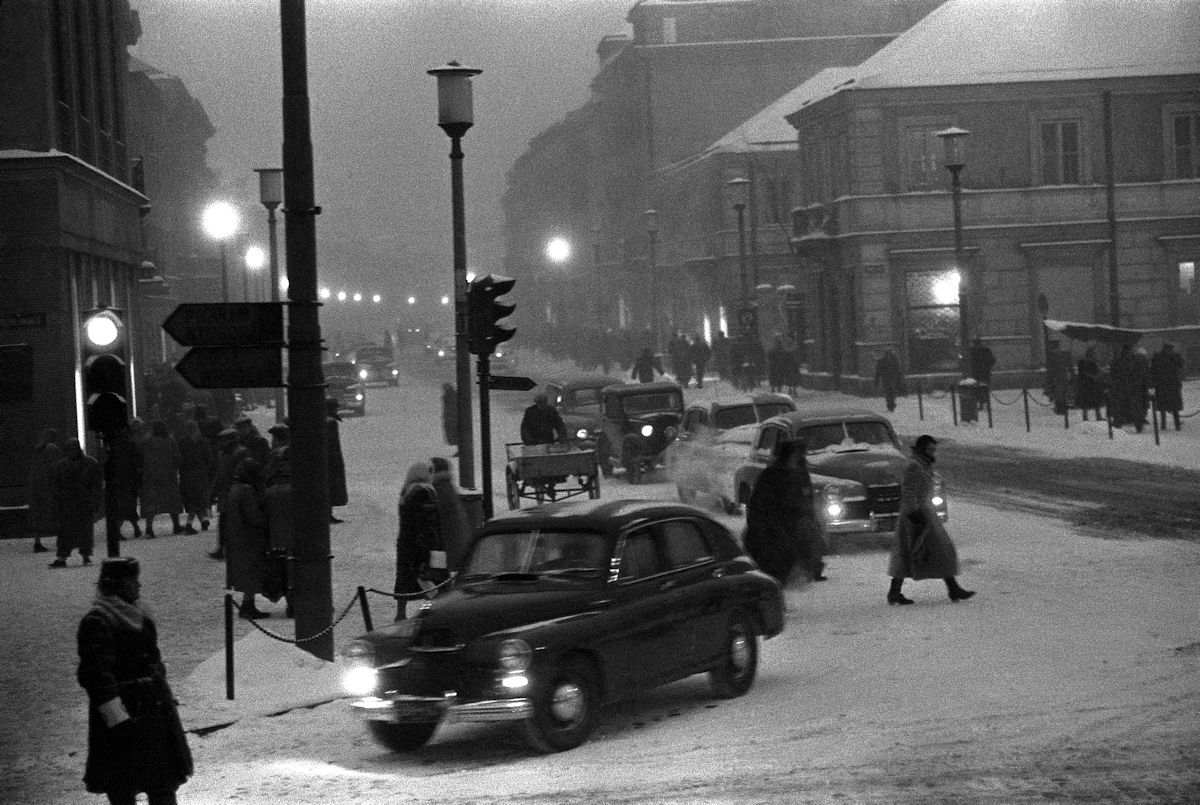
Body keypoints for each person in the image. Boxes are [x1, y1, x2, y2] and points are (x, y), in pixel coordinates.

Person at [76, 557, 192, 804]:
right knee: (123, 789)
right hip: (126, 719)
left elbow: (153, 657)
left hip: (154, 714)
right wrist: (119, 720)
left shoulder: (139, 615)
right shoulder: (98, 621)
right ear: (119, 585)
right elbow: (96, 676)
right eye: (133, 582)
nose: (139, 587)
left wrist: (159, 684)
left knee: (162, 787)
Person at [886, 435, 974, 605]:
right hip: (916, 516)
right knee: (918, 552)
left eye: (933, 449)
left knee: (931, 551)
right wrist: (914, 513)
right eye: (929, 449)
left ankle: (952, 588)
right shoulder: (914, 466)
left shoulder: (923, 465)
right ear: (921, 449)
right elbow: (909, 491)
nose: (932, 452)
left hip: (924, 513)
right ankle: (952, 589)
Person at [743, 439, 825, 585]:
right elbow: (759, 504)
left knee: (812, 537)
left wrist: (810, 517)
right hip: (774, 521)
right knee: (782, 546)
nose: (799, 458)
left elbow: (807, 498)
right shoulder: (771, 475)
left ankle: (810, 569)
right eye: (796, 454)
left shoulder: (801, 473)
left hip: (797, 519)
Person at [395, 461, 443, 621]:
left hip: (406, 542)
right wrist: (430, 544)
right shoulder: (425, 492)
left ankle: (400, 613)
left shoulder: (406, 492)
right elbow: (428, 522)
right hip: (429, 543)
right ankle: (435, 613)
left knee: (405, 578)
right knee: (433, 578)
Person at [225, 458, 270, 619]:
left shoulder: (234, 488)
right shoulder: (246, 490)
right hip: (249, 538)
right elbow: (254, 517)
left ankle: (247, 603)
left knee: (245, 574)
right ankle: (248, 605)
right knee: (251, 574)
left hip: (237, 537)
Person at [49, 439, 103, 568]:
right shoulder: (61, 466)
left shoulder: (90, 464)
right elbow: (55, 485)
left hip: (84, 503)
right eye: (69, 449)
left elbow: (97, 485)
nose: (72, 452)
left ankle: (85, 555)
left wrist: (94, 502)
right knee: (65, 532)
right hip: (67, 504)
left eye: (74, 448)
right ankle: (62, 557)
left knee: (84, 531)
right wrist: (57, 500)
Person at [263, 432, 294, 617]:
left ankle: (288, 600)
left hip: (276, 539)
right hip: (297, 539)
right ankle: (294, 603)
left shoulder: (271, 490)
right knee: (294, 570)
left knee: (283, 569)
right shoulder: (298, 489)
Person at [138, 420, 184, 538]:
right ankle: (176, 525)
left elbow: (140, 457)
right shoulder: (170, 441)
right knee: (172, 501)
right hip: (168, 476)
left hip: (151, 476)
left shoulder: (147, 442)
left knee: (151, 502)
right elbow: (178, 457)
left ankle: (149, 528)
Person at [103, 424, 143, 551]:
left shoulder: (114, 445)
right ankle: (120, 530)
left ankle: (134, 529)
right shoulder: (129, 443)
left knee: (124, 505)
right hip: (129, 477)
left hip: (119, 478)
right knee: (127, 504)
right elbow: (136, 458)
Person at [430, 456, 473, 574]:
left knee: (438, 578)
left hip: (447, 547)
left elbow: (437, 520)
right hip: (457, 544)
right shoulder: (447, 487)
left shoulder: (439, 489)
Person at [177, 420, 216, 535]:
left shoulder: (183, 442)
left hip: (187, 474)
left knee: (191, 499)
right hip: (200, 474)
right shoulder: (203, 442)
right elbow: (209, 458)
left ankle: (202, 521)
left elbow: (180, 459)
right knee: (199, 499)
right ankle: (190, 524)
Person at [27, 428, 62, 553]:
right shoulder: (52, 449)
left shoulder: (37, 450)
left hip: (36, 486)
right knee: (56, 512)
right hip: (49, 485)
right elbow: (56, 467)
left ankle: (37, 541)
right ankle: (61, 540)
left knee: (37, 515)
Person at [1150, 342, 1185, 431]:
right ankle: (1176, 425)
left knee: (1164, 407)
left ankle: (1164, 425)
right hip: (1171, 385)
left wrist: (1153, 382)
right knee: (1173, 407)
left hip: (1163, 385)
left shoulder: (1157, 357)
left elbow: (1152, 370)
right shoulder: (1174, 357)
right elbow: (1181, 365)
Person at [325, 398, 348, 523]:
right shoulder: (330, 422)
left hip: (330, 460)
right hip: (331, 461)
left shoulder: (328, 421)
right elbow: (332, 444)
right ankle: (327, 513)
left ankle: (327, 513)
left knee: (330, 487)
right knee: (330, 487)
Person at [1075, 347, 1105, 422]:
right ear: (1088, 353)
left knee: (1097, 400)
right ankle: (1085, 417)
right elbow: (1082, 372)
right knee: (1086, 401)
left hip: (1095, 384)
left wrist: (1099, 374)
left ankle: (1098, 416)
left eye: (1093, 353)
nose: (1093, 354)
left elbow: (1098, 371)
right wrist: (1092, 377)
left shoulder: (1095, 361)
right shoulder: (1082, 362)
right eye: (1092, 352)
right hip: (1086, 384)